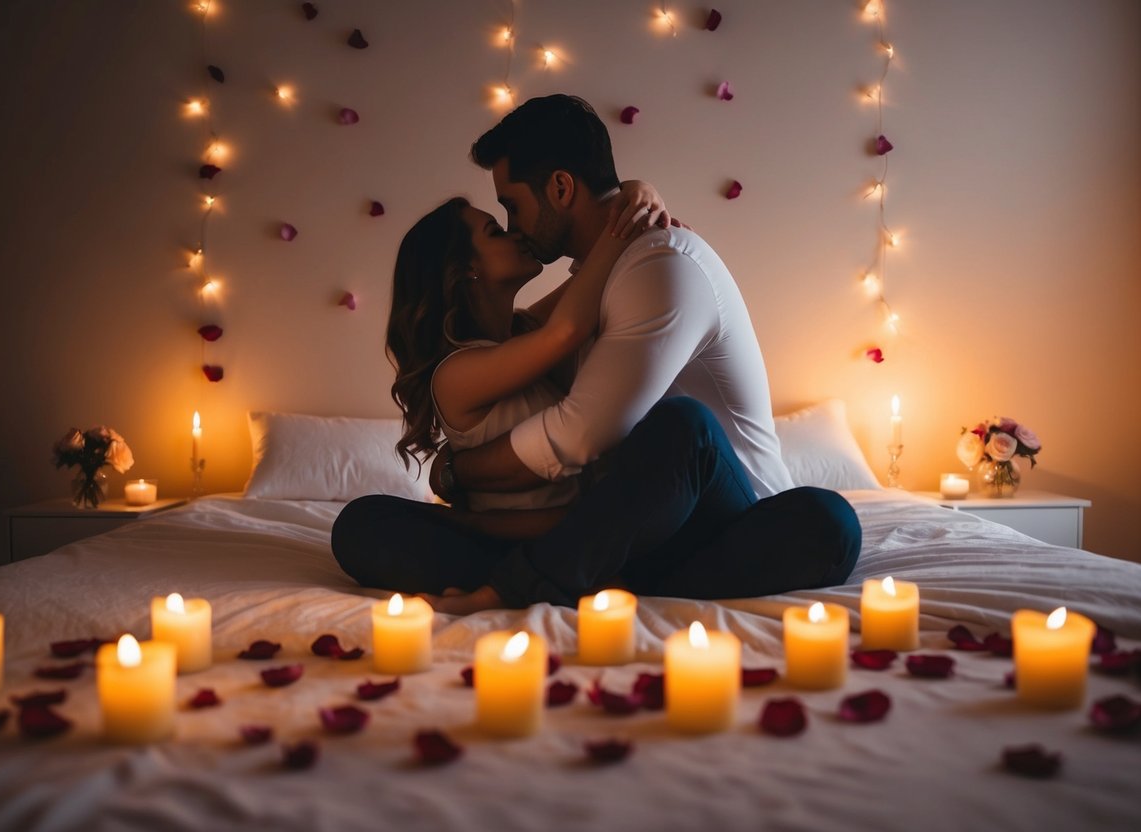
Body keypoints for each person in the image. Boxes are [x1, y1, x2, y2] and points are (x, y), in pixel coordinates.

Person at [332, 95, 861, 613]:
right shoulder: (570, 301)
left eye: (511, 207)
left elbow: (575, 437)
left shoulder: (661, 265)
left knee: (778, 488)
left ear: (561, 187)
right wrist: (631, 193)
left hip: (720, 516)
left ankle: (528, 584)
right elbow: (563, 328)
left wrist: (460, 472)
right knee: (362, 525)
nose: (513, 226)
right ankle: (604, 577)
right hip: (612, 527)